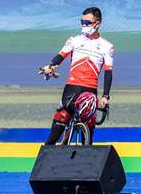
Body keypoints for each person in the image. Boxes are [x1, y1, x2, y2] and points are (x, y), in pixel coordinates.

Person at [39, 7, 113, 145]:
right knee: (62, 116)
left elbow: (108, 72)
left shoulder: (107, 46)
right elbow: (61, 56)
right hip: (72, 87)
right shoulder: (74, 40)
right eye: (82, 22)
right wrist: (50, 66)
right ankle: (48, 147)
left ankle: (86, 151)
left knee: (89, 125)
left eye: (87, 22)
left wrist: (105, 96)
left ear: (97, 24)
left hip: (90, 90)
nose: (83, 25)